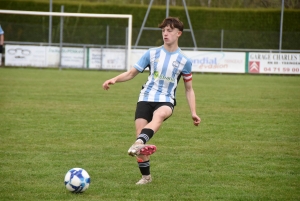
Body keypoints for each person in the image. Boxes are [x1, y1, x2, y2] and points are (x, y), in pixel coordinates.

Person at [102, 17, 201, 185]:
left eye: (169, 30)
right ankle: (146, 177)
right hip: (146, 97)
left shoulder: (185, 61)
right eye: (163, 31)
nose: (165, 33)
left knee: (159, 116)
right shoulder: (151, 53)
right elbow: (132, 73)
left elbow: (189, 89)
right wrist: (115, 79)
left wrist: (193, 112)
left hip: (166, 99)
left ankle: (140, 142)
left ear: (179, 33)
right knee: (140, 138)